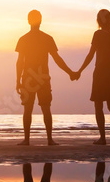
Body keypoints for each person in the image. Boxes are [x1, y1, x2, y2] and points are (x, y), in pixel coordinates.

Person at [15, 9, 75, 146]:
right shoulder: (44, 38)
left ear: (29, 21)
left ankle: (29, 139)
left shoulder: (26, 39)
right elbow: (57, 59)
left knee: (30, 109)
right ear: (40, 21)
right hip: (40, 78)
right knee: (44, 108)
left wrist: (17, 80)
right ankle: (47, 139)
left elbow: (20, 62)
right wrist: (70, 72)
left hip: (32, 79)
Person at [75, 9, 110, 145]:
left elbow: (91, 54)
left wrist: (80, 70)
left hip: (101, 73)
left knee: (98, 106)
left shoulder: (98, 34)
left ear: (99, 20)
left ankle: (103, 138)